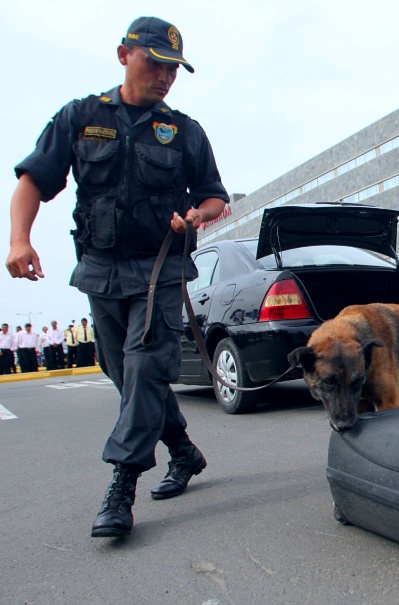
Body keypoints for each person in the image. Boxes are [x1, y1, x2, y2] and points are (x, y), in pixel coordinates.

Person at [5, 17, 228, 539]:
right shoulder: (80, 118)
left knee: (147, 367)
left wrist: (198, 214)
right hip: (100, 270)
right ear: (124, 54)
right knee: (123, 373)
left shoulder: (185, 131)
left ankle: (122, 484)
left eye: (174, 70)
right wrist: (19, 239)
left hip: (158, 270)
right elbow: (33, 180)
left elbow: (215, 194)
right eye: (156, 63)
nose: (166, 77)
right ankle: (184, 451)